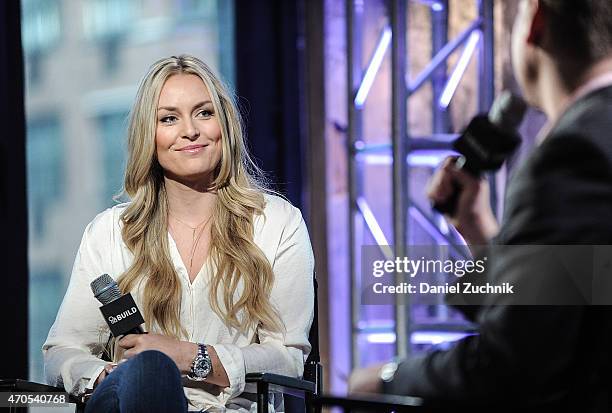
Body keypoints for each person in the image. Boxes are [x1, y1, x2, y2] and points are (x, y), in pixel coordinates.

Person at [349, 0, 612, 410]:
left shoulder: (575, 151)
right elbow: (575, 298)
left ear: (536, 21)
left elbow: (516, 363)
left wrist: (386, 381)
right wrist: (478, 229)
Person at [43, 55, 315, 413]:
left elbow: (287, 358)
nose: (190, 131)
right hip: (127, 402)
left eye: (204, 113)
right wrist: (105, 374)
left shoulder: (277, 223)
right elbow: (62, 352)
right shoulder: (111, 232)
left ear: (225, 125)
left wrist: (188, 356)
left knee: (155, 368)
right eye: (169, 118)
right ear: (149, 135)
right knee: (146, 375)